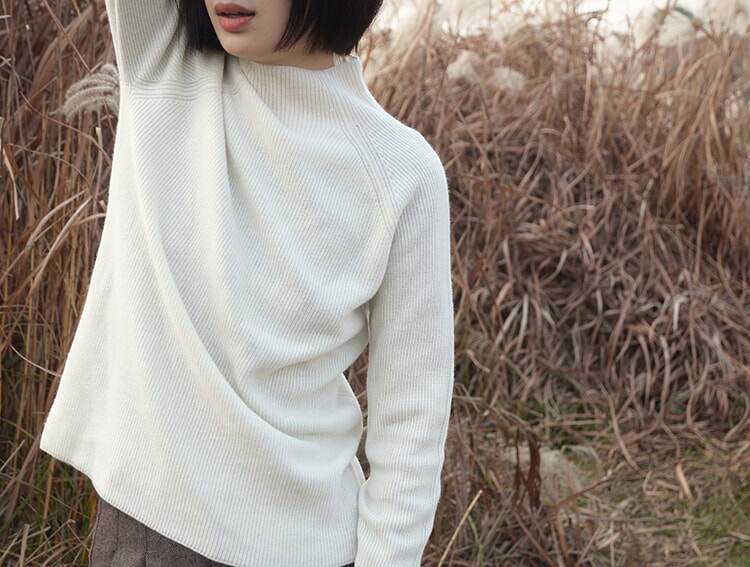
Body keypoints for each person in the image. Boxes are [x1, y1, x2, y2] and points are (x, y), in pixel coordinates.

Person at [38, 0, 455, 565]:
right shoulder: (165, 71)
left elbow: (412, 424)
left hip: (313, 547)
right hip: (153, 538)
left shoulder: (403, 173)